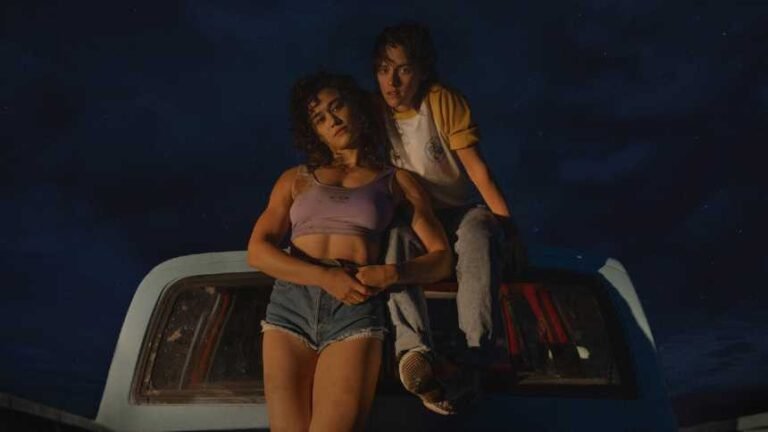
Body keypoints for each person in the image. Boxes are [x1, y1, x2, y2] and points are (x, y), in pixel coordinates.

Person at [247, 72, 452, 432]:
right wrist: (325, 277)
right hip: (290, 307)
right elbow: (258, 251)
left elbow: (441, 258)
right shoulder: (295, 179)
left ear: (356, 107)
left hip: (354, 307)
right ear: (314, 132)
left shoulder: (396, 181)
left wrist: (392, 273)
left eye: (337, 106)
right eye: (320, 118)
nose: (332, 120)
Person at [372, 22, 523, 414]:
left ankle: (474, 355)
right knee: (394, 240)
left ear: (422, 70)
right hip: (414, 215)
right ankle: (414, 352)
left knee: (480, 232)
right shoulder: (374, 113)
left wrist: (509, 229)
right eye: (384, 70)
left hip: (458, 211)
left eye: (403, 69)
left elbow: (478, 171)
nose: (392, 81)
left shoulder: (442, 101)